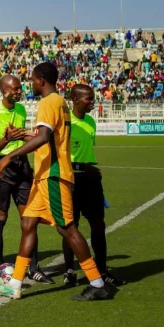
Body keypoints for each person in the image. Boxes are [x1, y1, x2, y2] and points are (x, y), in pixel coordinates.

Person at [0, 62, 112, 301]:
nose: (31, 84)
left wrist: (10, 156)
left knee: (67, 228)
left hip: (53, 175)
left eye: (33, 80)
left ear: (41, 80)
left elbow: (44, 137)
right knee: (28, 224)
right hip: (44, 176)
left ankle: (97, 282)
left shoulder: (47, 102)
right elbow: (48, 135)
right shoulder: (59, 102)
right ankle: (14, 284)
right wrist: (22, 135)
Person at [0, 75, 52, 283]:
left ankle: (34, 267)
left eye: (20, 88)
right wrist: (7, 139)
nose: (19, 92)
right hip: (0, 168)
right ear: (3, 90)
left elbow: (23, 138)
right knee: (0, 218)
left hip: (22, 167)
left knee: (29, 219)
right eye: (14, 89)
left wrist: (27, 137)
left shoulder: (21, 110)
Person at [62, 84, 125, 286]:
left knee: (98, 225)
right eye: (88, 99)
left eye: (92, 98)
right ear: (75, 100)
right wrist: (80, 167)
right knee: (71, 227)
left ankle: (103, 270)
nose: (92, 102)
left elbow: (86, 151)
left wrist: (91, 168)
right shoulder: (66, 122)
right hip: (71, 180)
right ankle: (69, 270)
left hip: (90, 180)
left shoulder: (90, 121)